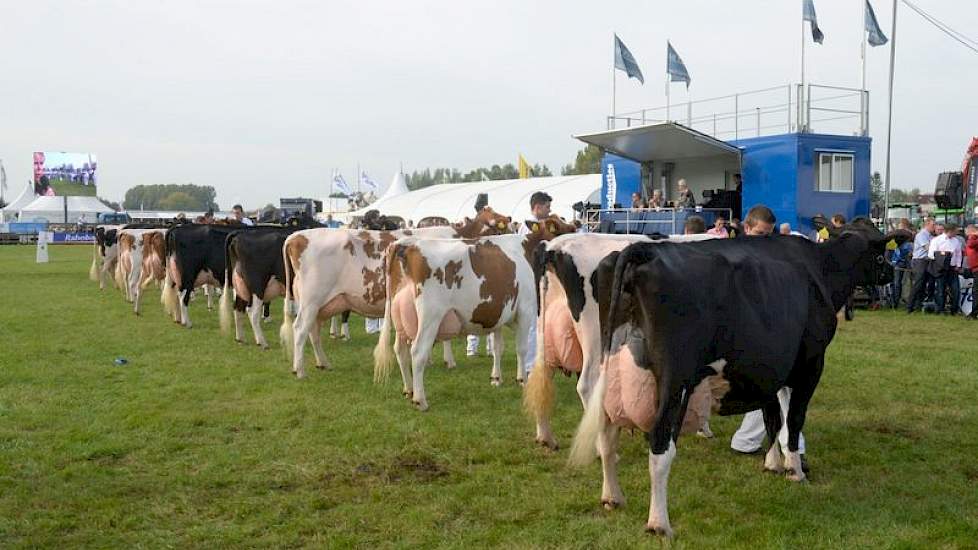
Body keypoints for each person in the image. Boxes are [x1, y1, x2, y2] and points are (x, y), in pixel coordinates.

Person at [730, 205, 807, 469]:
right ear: (747, 228)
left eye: (770, 234)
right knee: (777, 386)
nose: (767, 239)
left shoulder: (770, 257)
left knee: (776, 387)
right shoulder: (734, 257)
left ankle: (750, 441)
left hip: (772, 330)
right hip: (750, 332)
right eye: (761, 233)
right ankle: (790, 445)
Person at [928, 223, 963, 315]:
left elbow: (959, 254)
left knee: (956, 290)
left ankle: (954, 310)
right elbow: (931, 254)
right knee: (941, 290)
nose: (957, 232)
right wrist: (943, 255)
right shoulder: (936, 240)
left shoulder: (956, 241)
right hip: (941, 268)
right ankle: (941, 309)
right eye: (955, 231)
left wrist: (958, 265)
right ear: (950, 231)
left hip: (953, 268)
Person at [907, 217, 937, 313]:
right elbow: (928, 248)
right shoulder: (922, 235)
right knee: (918, 284)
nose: (934, 227)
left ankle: (918, 306)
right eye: (933, 225)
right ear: (927, 224)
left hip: (927, 261)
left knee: (924, 285)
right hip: (920, 261)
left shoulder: (931, 236)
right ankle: (910, 306)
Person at [888, 219, 914, 309]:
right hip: (897, 262)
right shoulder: (894, 237)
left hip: (905, 261)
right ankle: (895, 302)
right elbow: (890, 249)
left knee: (903, 282)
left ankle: (902, 301)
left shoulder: (910, 237)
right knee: (897, 282)